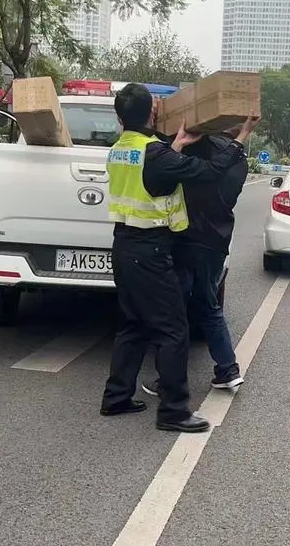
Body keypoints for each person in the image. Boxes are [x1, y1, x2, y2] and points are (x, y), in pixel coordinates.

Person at [100, 83, 250, 433]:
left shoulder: (120, 150)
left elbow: (150, 172)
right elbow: (211, 173)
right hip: (150, 251)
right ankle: (174, 411)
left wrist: (177, 144)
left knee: (134, 324)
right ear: (153, 112)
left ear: (119, 117)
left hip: (122, 247)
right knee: (174, 330)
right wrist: (241, 137)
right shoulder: (156, 154)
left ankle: (117, 396)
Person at [141, 116, 260, 397]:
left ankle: (168, 380)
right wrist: (242, 135)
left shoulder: (203, 149)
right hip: (215, 243)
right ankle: (228, 370)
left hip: (185, 238)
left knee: (175, 310)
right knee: (208, 306)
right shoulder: (239, 161)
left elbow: (169, 146)